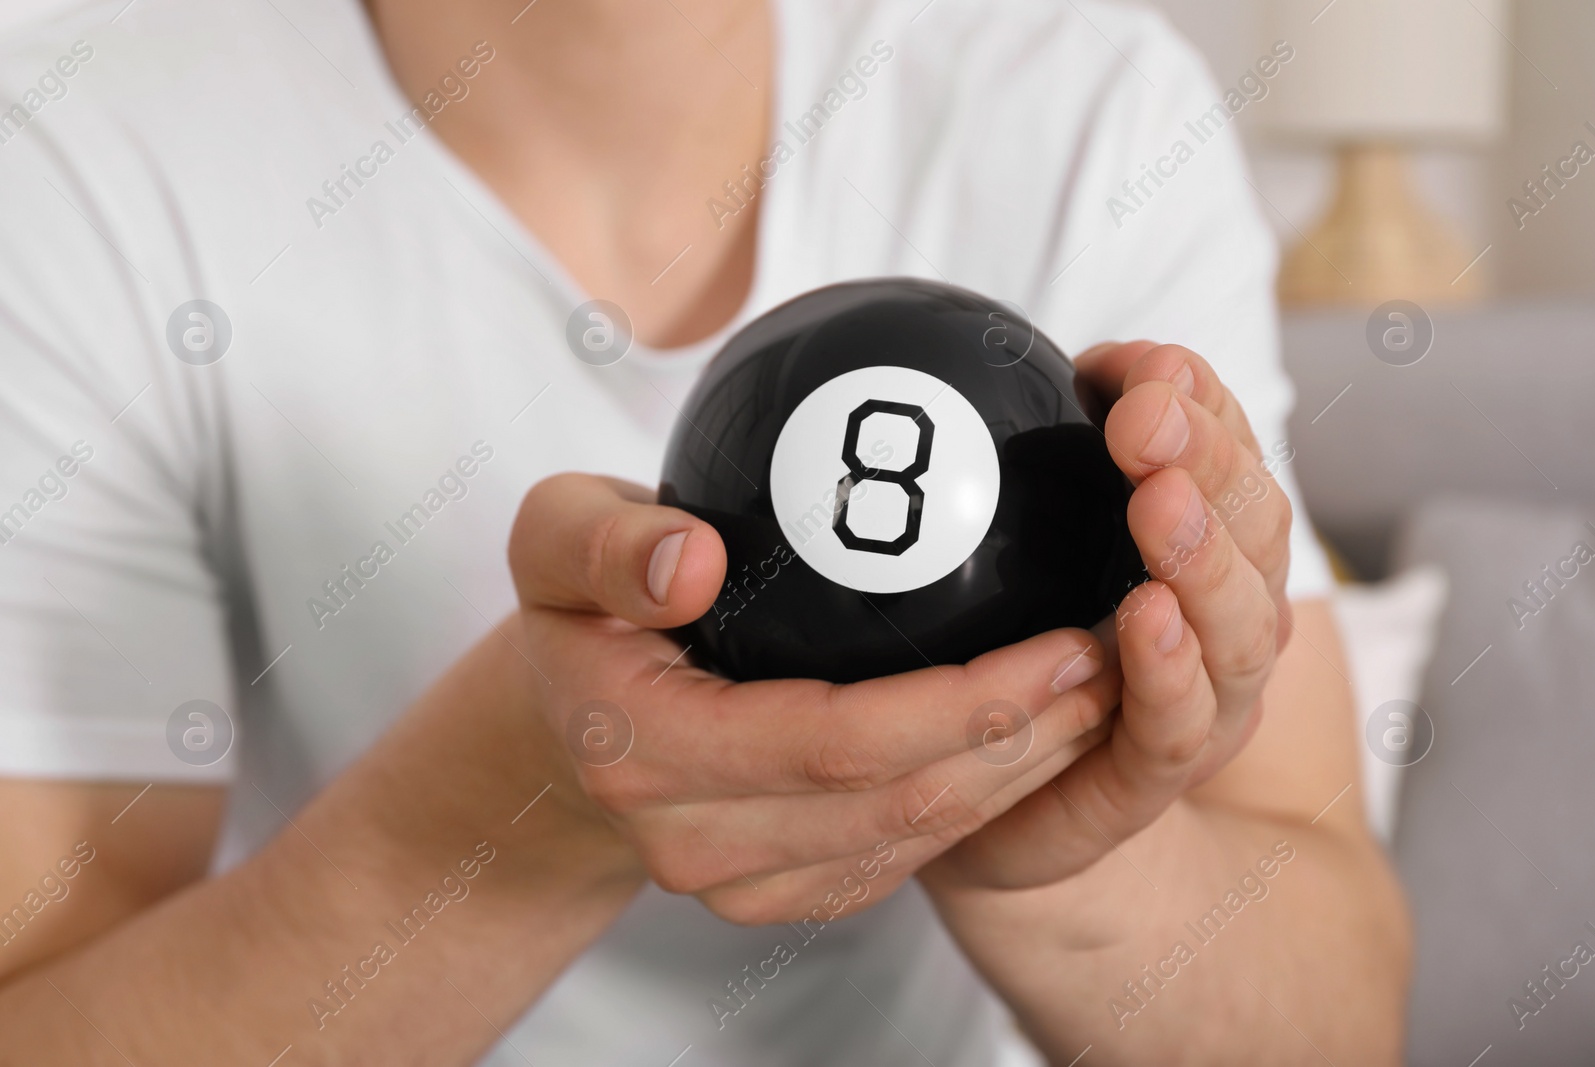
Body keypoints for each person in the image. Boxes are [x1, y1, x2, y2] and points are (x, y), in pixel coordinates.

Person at [0, 0, 1408, 1062]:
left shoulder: (1087, 105)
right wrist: (520, 807)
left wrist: (1041, 839)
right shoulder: (73, 143)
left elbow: (1340, 1018)